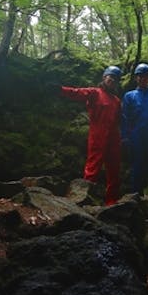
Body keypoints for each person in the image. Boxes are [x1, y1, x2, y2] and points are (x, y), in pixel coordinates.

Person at [58, 65, 123, 205]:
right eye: (110, 77)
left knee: (114, 170)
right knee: (92, 168)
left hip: (113, 138)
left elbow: (119, 120)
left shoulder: (117, 101)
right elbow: (77, 93)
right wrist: (61, 90)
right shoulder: (95, 92)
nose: (112, 80)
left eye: (115, 79)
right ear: (104, 77)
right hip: (97, 136)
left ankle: (111, 201)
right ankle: (84, 199)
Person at [121, 63, 148, 197]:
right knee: (137, 167)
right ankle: (136, 198)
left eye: (145, 76)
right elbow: (125, 118)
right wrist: (125, 136)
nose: (142, 79)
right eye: (139, 76)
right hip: (136, 136)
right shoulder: (129, 96)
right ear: (136, 78)